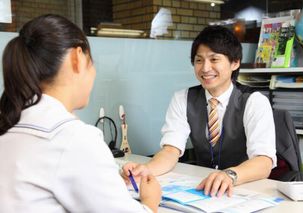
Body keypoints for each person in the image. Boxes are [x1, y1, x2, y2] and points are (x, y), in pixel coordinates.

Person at [0, 14, 161, 213]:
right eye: (92, 63)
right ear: (77, 58)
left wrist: (109, 180)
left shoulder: (13, 123)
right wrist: (150, 202)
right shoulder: (72, 138)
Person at [123, 25, 276, 198]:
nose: (205, 68)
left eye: (214, 59)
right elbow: (171, 150)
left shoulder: (254, 101)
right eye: (199, 60)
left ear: (235, 63)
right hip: (203, 189)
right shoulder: (182, 98)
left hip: (245, 189)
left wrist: (230, 175)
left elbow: (264, 162)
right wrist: (146, 170)